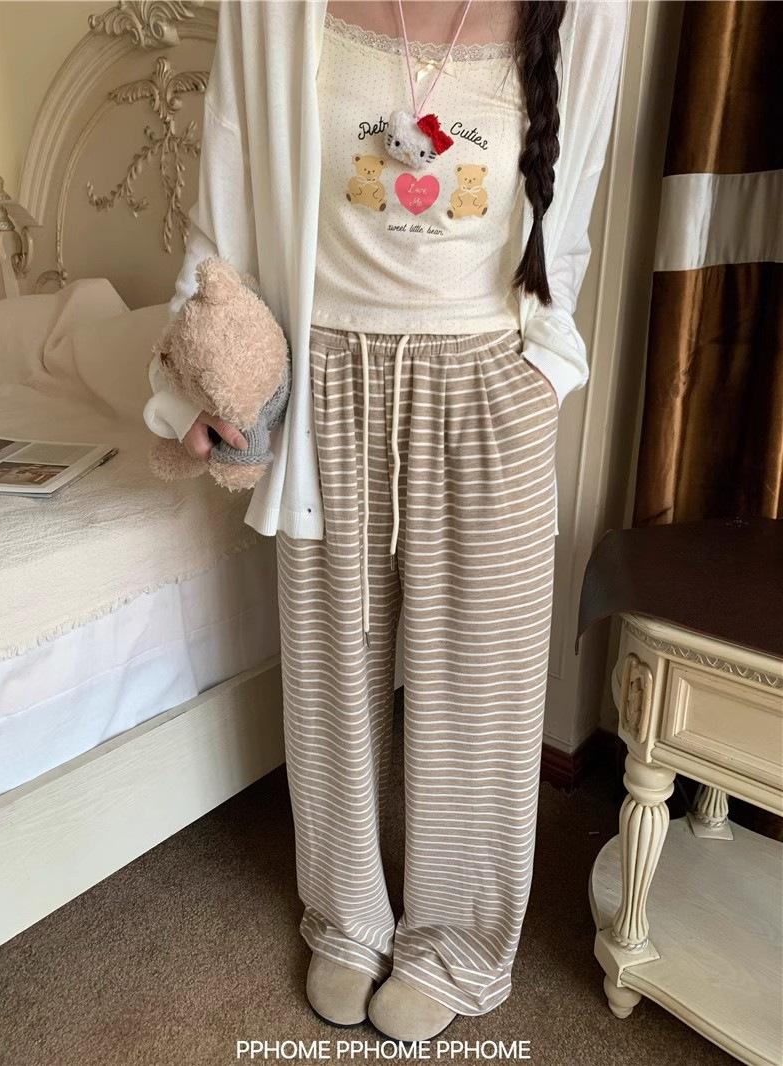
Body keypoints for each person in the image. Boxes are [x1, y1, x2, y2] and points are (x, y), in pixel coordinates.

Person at [144, 0, 627, 1042]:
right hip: (330, 374)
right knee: (332, 664)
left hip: (488, 380)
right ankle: (348, 913)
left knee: (481, 685)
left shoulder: (587, 10)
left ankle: (453, 939)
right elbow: (225, 191)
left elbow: (574, 205)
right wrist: (205, 380)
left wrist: (541, 377)